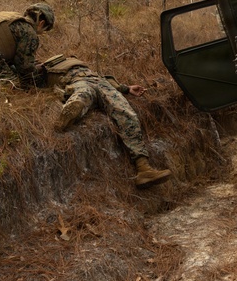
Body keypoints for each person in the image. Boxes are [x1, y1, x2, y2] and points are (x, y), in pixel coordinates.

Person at [40, 55, 172, 189]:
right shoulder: (43, 67)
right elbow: (27, 76)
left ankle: (144, 169)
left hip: (96, 82)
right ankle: (72, 110)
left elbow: (104, 78)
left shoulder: (76, 64)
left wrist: (126, 88)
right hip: (81, 82)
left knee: (126, 113)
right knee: (88, 96)